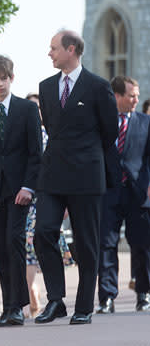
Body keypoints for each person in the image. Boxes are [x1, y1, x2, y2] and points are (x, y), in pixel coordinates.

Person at [34, 30, 118, 325]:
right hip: (52, 173)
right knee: (43, 232)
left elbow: (110, 131)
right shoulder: (45, 87)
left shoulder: (98, 86)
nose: (50, 53)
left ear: (71, 50)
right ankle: (56, 300)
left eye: (54, 48)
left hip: (86, 174)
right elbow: (53, 129)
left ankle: (84, 306)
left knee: (86, 242)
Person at [0, 55, 42, 327]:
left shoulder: (27, 110)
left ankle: (18, 306)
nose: (0, 84)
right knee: (0, 248)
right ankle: (8, 306)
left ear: (12, 78)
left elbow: (36, 153)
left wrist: (28, 187)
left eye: (4, 78)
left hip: (20, 190)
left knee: (14, 242)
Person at [96, 76, 150, 314]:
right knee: (106, 246)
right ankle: (107, 298)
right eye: (131, 95)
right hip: (108, 192)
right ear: (117, 96)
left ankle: (144, 294)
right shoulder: (102, 123)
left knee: (141, 245)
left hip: (138, 193)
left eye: (137, 95)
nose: (136, 99)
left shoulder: (145, 122)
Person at [23, 93, 74, 318]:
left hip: (48, 198)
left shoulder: (52, 136)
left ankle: (50, 296)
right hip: (25, 199)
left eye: (38, 108)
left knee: (42, 246)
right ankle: (31, 295)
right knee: (27, 250)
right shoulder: (22, 136)